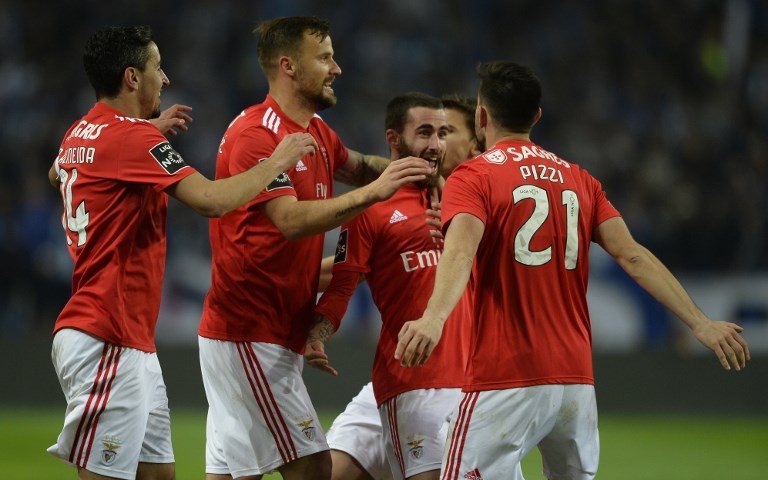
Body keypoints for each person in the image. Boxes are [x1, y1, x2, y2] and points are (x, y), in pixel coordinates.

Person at [395, 61, 751, 480]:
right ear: (537, 116)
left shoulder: (473, 176)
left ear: (481, 117)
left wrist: (433, 318)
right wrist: (701, 323)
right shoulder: (579, 179)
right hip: (575, 382)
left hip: (506, 373)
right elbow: (633, 256)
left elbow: (459, 254)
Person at [46, 26, 317, 480]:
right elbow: (212, 201)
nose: (166, 78)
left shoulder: (80, 132)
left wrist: (137, 135)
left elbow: (58, 173)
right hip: (106, 331)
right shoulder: (132, 140)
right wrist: (276, 162)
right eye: (157, 67)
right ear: (132, 77)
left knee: (159, 474)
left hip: (124, 338)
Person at [196, 17, 431, 480]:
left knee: (233, 475)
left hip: (266, 331)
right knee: (314, 466)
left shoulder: (317, 131)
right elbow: (290, 221)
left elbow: (361, 166)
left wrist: (424, 174)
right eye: (324, 58)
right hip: (249, 332)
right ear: (288, 66)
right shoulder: (258, 135)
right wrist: (376, 194)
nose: (336, 68)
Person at [304, 92, 466, 480]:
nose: (436, 144)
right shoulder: (369, 209)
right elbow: (343, 283)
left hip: (472, 382)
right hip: (412, 381)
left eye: (442, 133)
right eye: (424, 132)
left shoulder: (465, 203)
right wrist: (318, 333)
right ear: (393, 138)